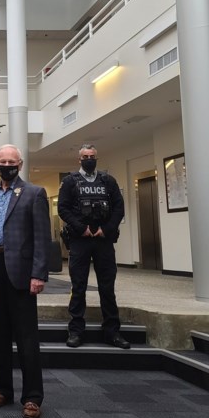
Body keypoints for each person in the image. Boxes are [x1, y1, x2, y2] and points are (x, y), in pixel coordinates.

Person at [0, 143, 49, 418]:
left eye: (11, 161)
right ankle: (2, 390)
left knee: (27, 339)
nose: (7, 164)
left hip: (22, 273)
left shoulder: (34, 193)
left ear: (20, 163)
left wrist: (39, 274)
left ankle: (32, 397)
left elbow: (42, 238)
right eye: (2, 161)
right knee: (0, 336)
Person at [58, 143, 129, 350]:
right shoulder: (70, 182)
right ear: (79, 159)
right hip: (80, 240)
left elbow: (119, 207)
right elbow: (63, 208)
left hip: (103, 240)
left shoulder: (108, 181)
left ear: (96, 158)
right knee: (78, 287)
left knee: (107, 288)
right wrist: (82, 228)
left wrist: (106, 229)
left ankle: (112, 331)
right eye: (85, 156)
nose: (89, 159)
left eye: (92, 156)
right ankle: (76, 331)